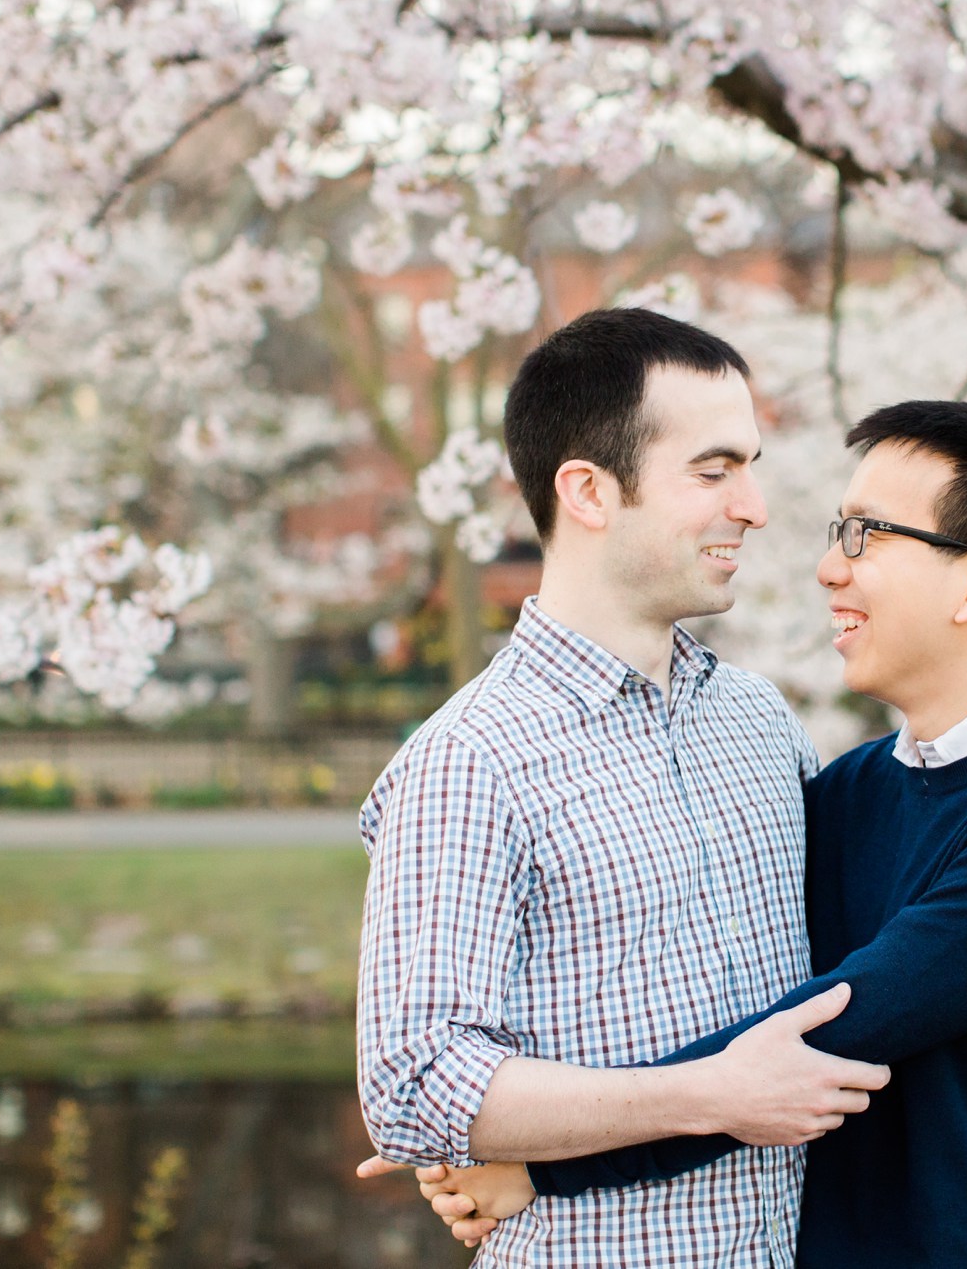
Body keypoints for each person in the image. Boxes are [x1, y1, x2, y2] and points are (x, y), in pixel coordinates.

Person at [419, 399, 967, 1268]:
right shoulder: (856, 789)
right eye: (837, 531)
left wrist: (537, 1163)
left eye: (864, 537)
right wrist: (489, 1112)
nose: (826, 570)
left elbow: (818, 1039)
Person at [352, 307, 891, 1269]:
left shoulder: (761, 724)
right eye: (715, 471)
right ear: (589, 491)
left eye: (752, 467)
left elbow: (866, 955)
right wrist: (705, 1094)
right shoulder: (469, 761)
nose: (756, 507)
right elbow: (416, 1084)